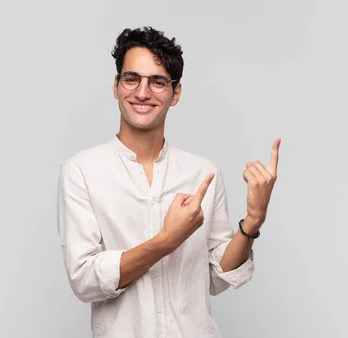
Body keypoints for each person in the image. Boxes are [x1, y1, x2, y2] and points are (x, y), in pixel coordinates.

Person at [57, 26, 281, 338]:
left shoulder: (203, 173)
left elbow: (217, 276)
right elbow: (86, 280)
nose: (143, 92)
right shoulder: (81, 171)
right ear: (116, 85)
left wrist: (254, 221)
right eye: (132, 78)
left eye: (158, 82)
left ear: (175, 94)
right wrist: (166, 241)